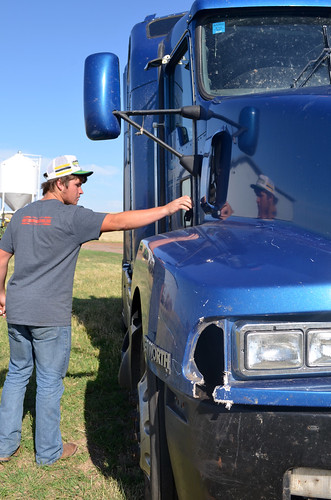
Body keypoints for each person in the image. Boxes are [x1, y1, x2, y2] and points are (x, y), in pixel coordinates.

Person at [0, 155, 192, 466]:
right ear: (60, 183)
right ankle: (48, 451)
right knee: (49, 380)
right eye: (77, 184)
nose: (81, 191)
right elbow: (120, 221)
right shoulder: (71, 218)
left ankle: (4, 446)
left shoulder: (21, 215)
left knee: (18, 374)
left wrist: (2, 293)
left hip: (19, 309)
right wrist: (168, 209)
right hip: (49, 314)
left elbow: (2, 257)